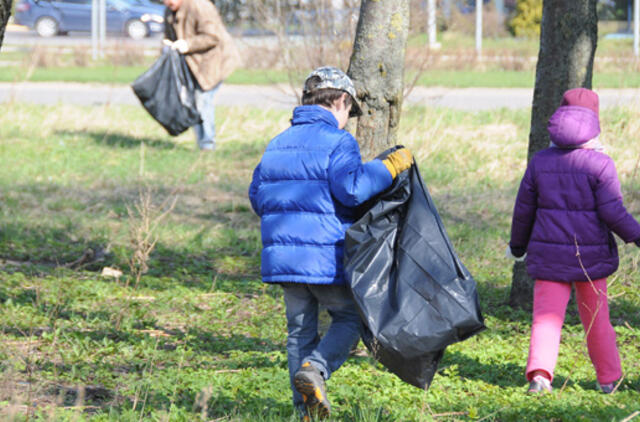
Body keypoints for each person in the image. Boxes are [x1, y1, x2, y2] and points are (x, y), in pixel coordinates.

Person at [248, 66, 413, 420]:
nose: (347, 119)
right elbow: (352, 190)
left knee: (299, 332)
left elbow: (258, 197)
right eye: (348, 111)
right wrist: (389, 167)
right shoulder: (339, 142)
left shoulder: (277, 143)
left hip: (283, 260)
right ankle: (317, 369)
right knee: (350, 317)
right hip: (324, 257)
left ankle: (302, 411)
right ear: (341, 101)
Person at [507, 88, 640, 394]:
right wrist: (636, 235)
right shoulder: (600, 163)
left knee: (546, 319)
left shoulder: (540, 162)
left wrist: (517, 246)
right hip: (590, 260)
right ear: (594, 121)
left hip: (548, 257)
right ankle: (608, 380)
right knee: (598, 321)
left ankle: (540, 377)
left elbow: (523, 210)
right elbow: (613, 211)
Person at [163, 0, 240, 151]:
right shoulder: (170, 11)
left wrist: (187, 44)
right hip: (193, 65)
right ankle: (201, 143)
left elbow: (212, 37)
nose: (167, 2)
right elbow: (170, 36)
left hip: (214, 62)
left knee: (202, 102)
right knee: (194, 103)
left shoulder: (200, 6)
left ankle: (207, 145)